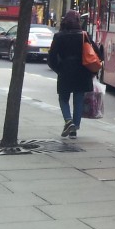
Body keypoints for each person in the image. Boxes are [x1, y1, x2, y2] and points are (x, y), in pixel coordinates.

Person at [47, 10, 100, 139]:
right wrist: (93, 71)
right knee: (78, 100)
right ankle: (74, 130)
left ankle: (68, 120)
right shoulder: (84, 35)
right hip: (82, 71)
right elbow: (96, 53)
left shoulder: (59, 36)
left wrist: (58, 69)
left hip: (65, 70)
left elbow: (51, 57)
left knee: (63, 98)